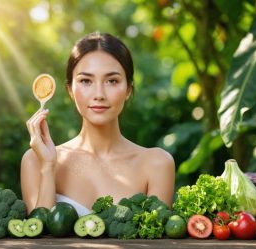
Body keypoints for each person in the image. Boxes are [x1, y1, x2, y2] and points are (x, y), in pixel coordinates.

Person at [21, 32, 175, 216]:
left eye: (112, 81)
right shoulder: (35, 161)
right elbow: (37, 237)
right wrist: (47, 167)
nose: (99, 94)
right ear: (70, 89)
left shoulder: (157, 164)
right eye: (86, 81)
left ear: (128, 89)